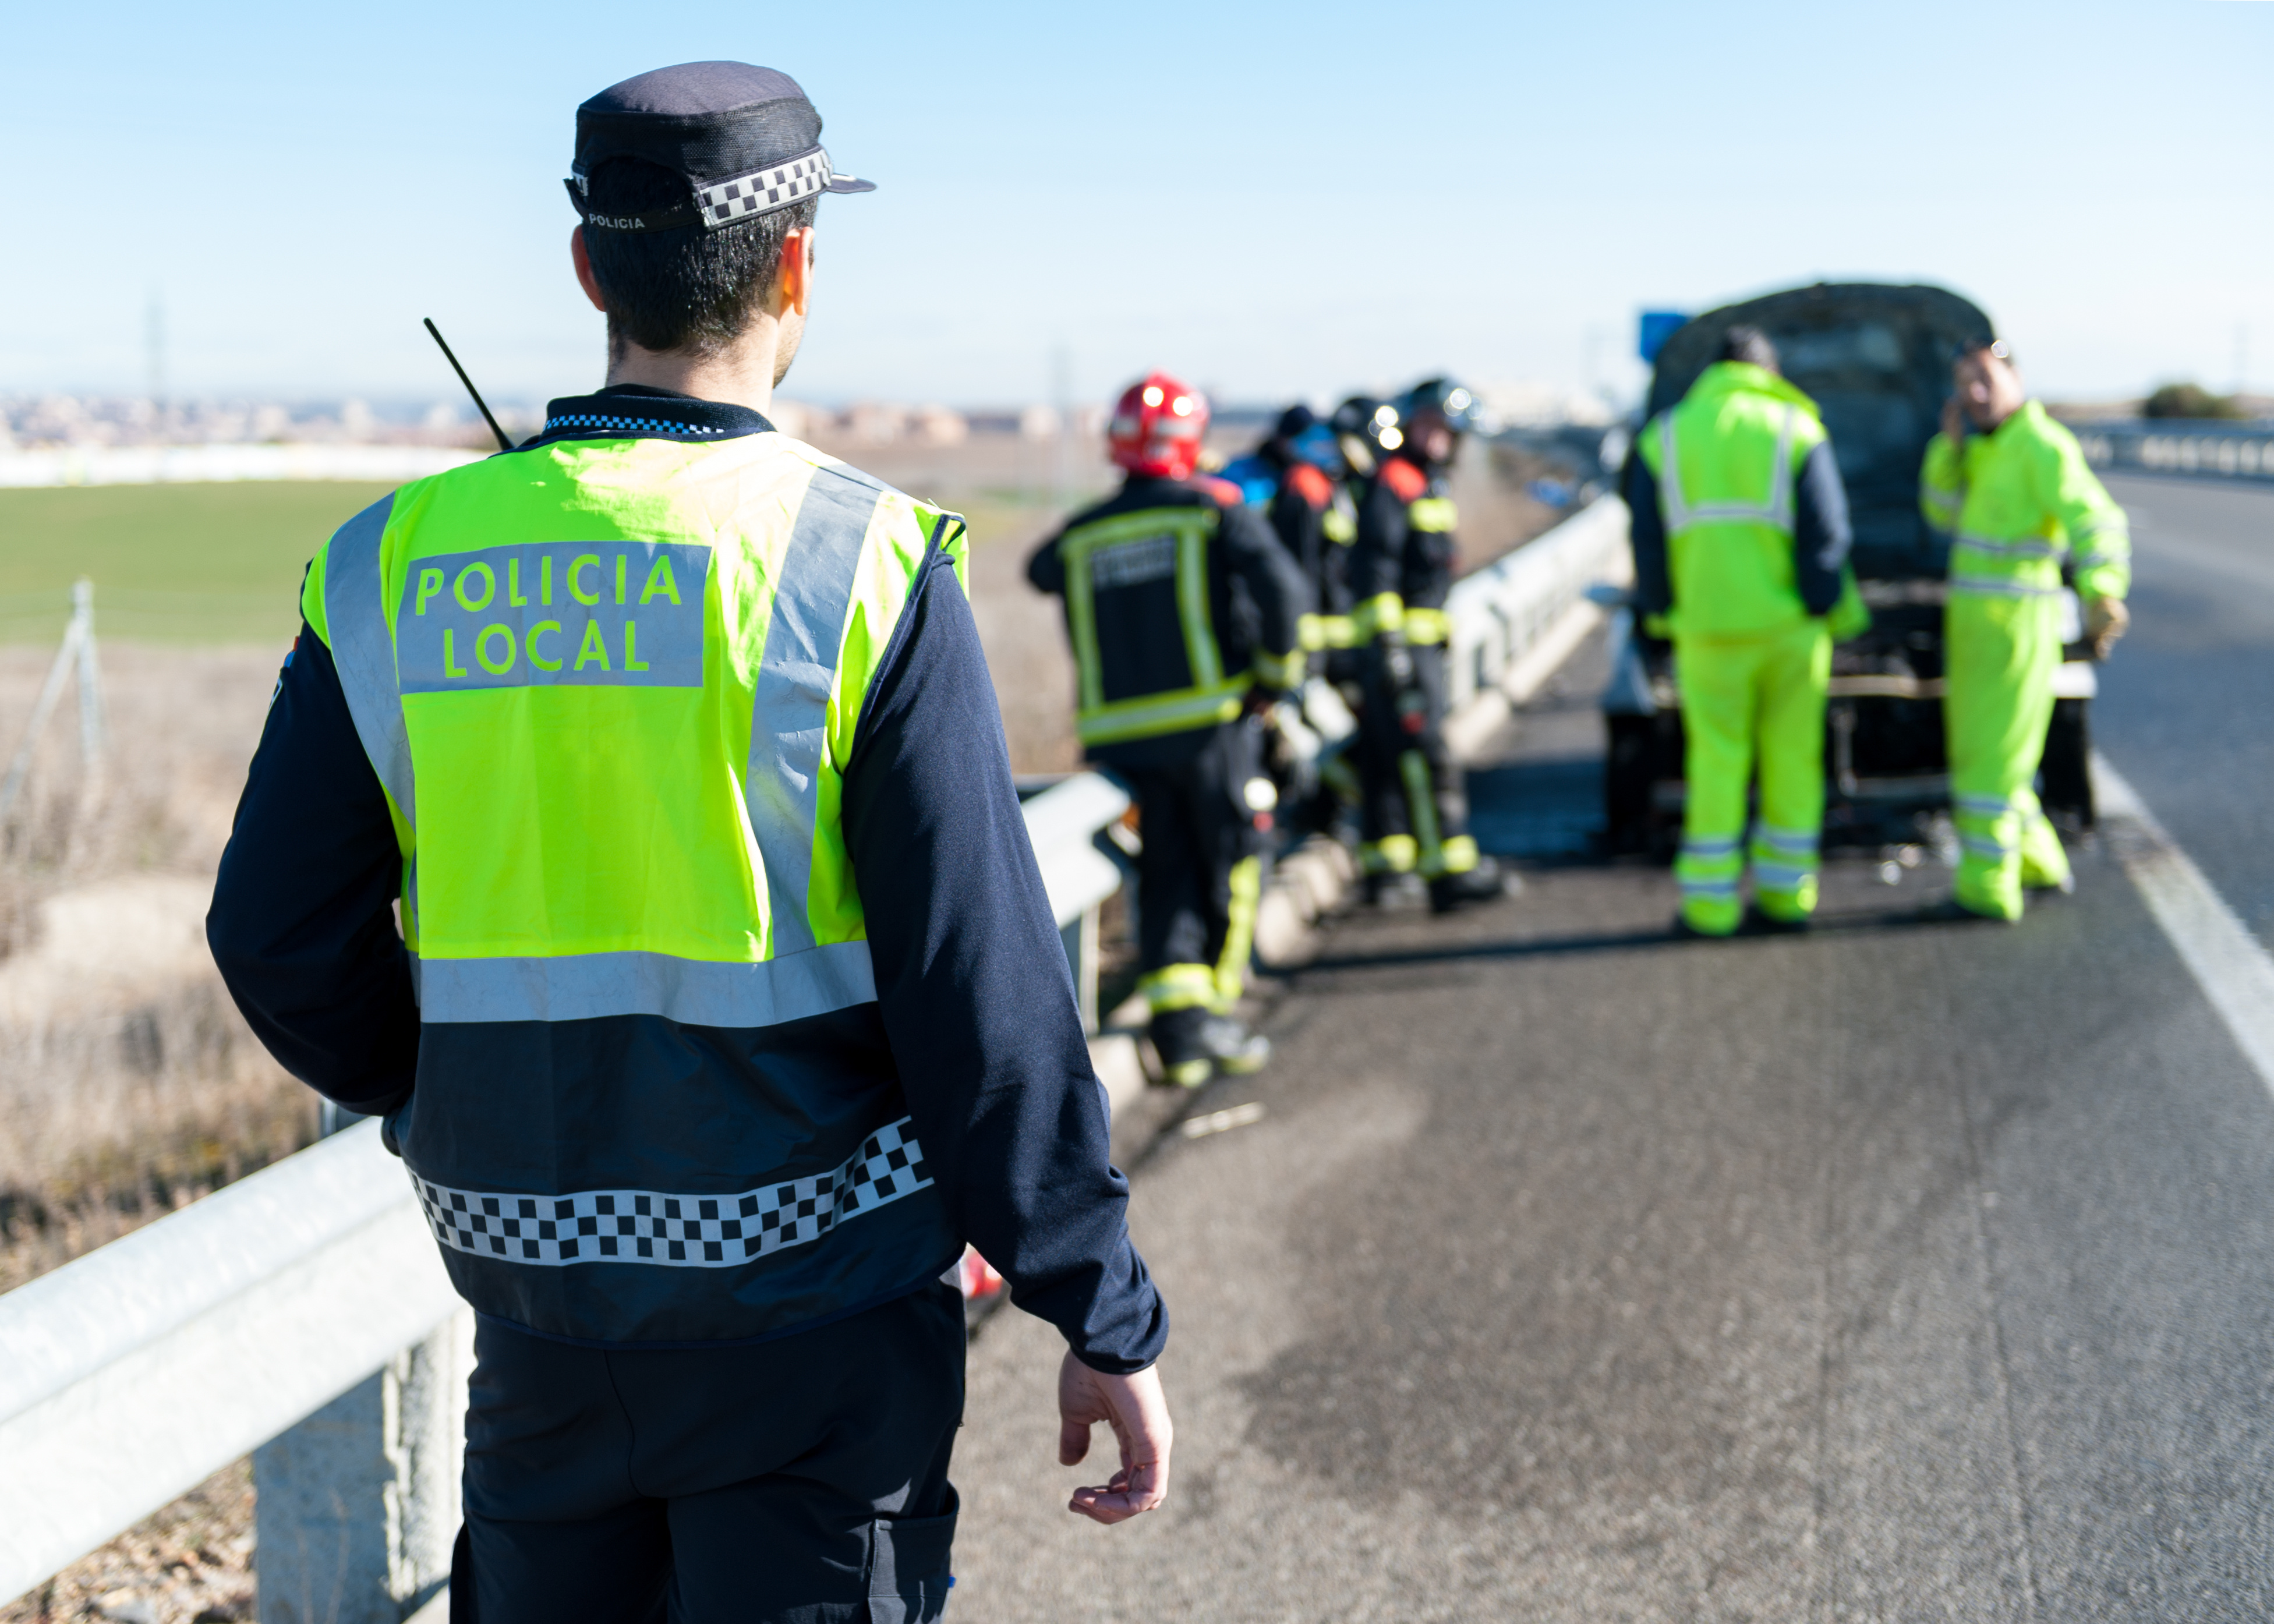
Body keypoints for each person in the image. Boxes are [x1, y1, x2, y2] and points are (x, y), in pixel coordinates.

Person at [206, 62, 1172, 1623]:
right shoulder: (857, 558)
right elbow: (977, 987)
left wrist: (443, 1089)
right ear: (798, 267)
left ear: (591, 270)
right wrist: (1096, 1303)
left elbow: (271, 935)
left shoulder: (388, 566)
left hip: (531, 1308)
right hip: (822, 1321)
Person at [1027, 373, 1308, 1087]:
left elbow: (1038, 571)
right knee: (1232, 864)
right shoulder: (1213, 511)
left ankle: (1180, 1035)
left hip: (1119, 742)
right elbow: (1284, 592)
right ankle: (1208, 1015)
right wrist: (1273, 679)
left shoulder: (1085, 531)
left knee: (1164, 874)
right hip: (1210, 727)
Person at [1622, 327, 1859, 936]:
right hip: (1789, 635)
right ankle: (1785, 899)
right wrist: (1818, 603)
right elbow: (1827, 532)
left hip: (1705, 632)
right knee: (1791, 761)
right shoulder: (1794, 427)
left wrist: (1658, 611)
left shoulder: (1664, 435)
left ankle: (1709, 906)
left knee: (1717, 763)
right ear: (1767, 370)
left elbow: (1645, 541)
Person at [1920, 337, 2130, 921]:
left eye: (1985, 379)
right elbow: (1939, 514)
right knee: (1996, 757)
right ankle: (2038, 862)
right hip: (1976, 634)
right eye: (1965, 385)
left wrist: (2102, 590)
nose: (1975, 393)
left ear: (2015, 378)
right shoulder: (1982, 450)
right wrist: (1948, 448)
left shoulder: (2039, 444)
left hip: (2015, 632)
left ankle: (1984, 890)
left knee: (1989, 765)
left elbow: (2095, 518)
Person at [1346, 378, 1512, 911]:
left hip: (1417, 649)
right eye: (1429, 427)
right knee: (1426, 757)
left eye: (1446, 430)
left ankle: (1389, 872)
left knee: (1389, 761)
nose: (1438, 439)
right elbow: (1375, 573)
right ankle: (1448, 870)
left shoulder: (1424, 484)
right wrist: (1391, 647)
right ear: (1408, 426)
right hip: (1403, 653)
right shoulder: (1395, 481)